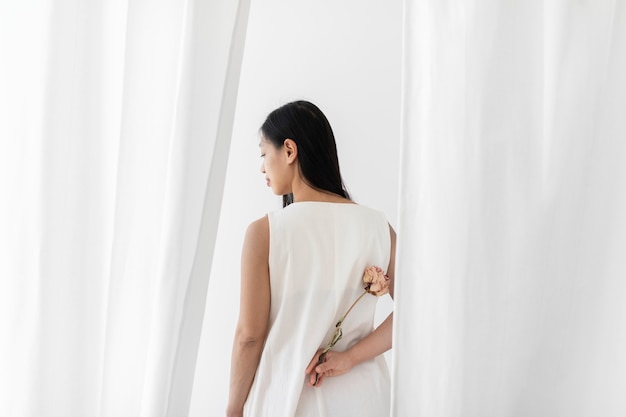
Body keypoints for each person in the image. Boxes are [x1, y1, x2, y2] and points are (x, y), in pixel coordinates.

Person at [226, 100, 396, 417]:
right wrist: (351, 357)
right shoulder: (378, 226)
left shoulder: (265, 233)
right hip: (367, 399)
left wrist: (234, 408)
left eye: (264, 154)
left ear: (289, 150)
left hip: (289, 398)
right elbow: (416, 312)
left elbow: (249, 336)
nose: (262, 167)